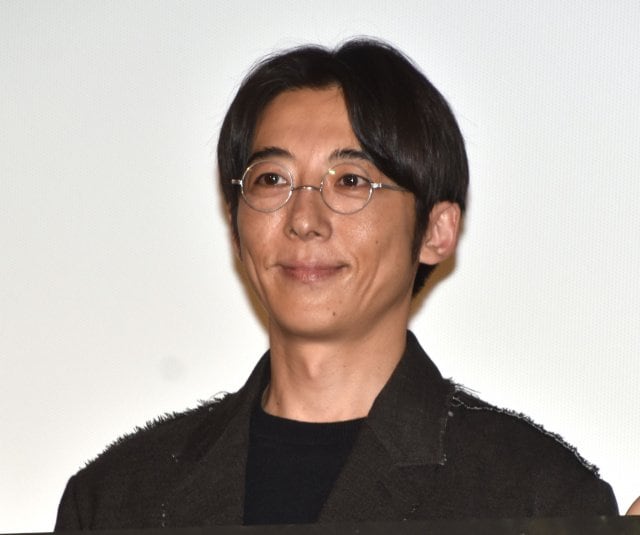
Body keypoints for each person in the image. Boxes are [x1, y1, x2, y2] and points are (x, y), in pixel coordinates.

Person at [54, 38, 618, 529]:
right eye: (272, 179)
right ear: (235, 224)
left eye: (350, 181)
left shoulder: (536, 496)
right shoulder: (115, 499)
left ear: (436, 231)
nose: (304, 219)